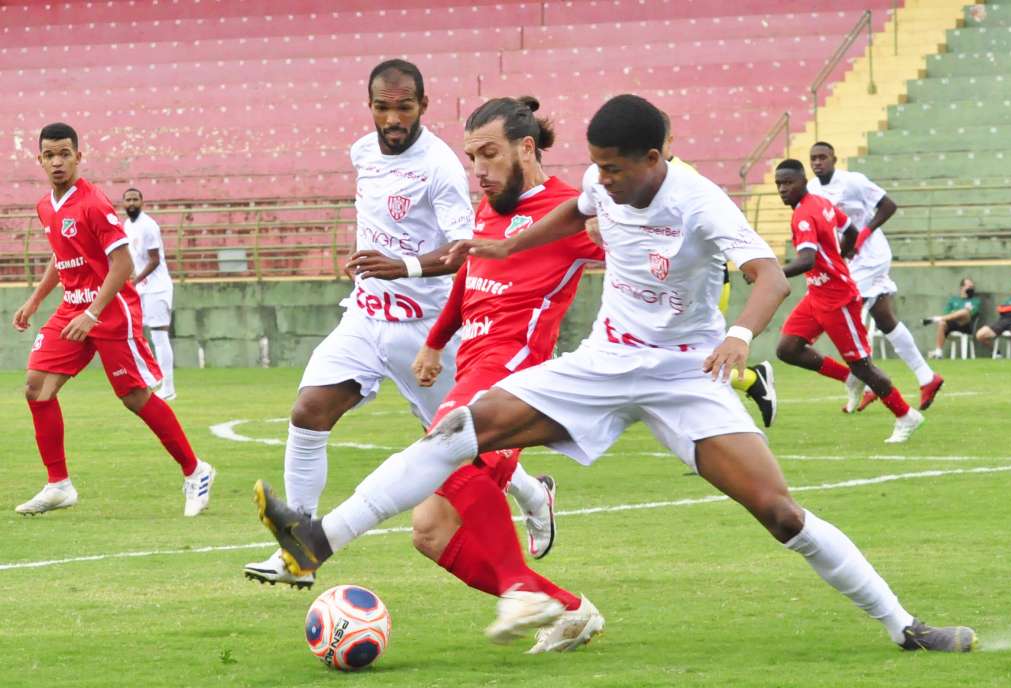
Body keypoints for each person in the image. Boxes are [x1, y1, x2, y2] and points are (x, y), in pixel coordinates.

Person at [253, 96, 974, 654]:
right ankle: (319, 539)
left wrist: (738, 335)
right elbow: (576, 209)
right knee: (457, 430)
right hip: (602, 363)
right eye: (596, 165)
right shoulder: (605, 184)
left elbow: (765, 275)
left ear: (656, 157)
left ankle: (905, 625)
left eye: (616, 167)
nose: (602, 179)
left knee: (780, 512)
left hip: (684, 376)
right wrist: (506, 246)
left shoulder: (697, 200)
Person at [243, 60, 553, 589]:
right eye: (382, 107)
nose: (392, 118)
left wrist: (401, 266)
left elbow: (464, 250)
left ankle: (532, 493)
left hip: (428, 329)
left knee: (464, 448)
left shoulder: (441, 166)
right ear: (369, 106)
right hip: (366, 315)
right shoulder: (362, 153)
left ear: (423, 107)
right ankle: (295, 544)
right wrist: (371, 267)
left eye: (403, 107)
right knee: (308, 411)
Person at [405, 95, 606, 648]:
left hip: (513, 378)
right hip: (470, 368)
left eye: (488, 155)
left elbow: (637, 255)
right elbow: (469, 276)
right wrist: (435, 341)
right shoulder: (490, 207)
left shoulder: (572, 210)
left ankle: (521, 577)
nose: (478, 171)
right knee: (429, 532)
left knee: (441, 453)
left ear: (525, 147)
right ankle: (572, 609)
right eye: (472, 158)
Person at [12, 122, 214, 516]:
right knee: (37, 388)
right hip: (74, 306)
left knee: (133, 396)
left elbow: (122, 265)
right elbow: (61, 255)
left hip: (110, 309)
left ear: (78, 157)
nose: (57, 162)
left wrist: (92, 314)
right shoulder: (45, 207)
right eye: (50, 155)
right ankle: (59, 486)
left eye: (65, 154)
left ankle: (196, 471)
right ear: (39, 159)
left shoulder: (94, 203)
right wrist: (36, 300)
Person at [586, 109, 777, 427]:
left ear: (664, 144)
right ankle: (743, 393)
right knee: (677, 362)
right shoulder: (627, 181)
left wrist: (740, 335)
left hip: (698, 284)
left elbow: (760, 266)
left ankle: (718, 430)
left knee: (690, 358)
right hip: (658, 283)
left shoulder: (687, 183)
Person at [774, 159, 925, 444]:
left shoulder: (805, 215)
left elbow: (806, 260)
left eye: (788, 183)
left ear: (803, 181)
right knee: (787, 348)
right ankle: (848, 378)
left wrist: (772, 272)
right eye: (778, 185)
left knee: (863, 365)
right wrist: (841, 255)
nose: (782, 189)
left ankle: (906, 415)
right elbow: (851, 230)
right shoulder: (821, 203)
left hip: (838, 299)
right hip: (816, 295)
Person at [808, 142, 943, 412]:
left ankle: (869, 383)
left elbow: (889, 206)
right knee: (883, 319)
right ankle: (926, 376)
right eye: (813, 158)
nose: (818, 162)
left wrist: (864, 235)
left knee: (847, 314)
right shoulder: (812, 189)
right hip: (848, 260)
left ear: (835, 158)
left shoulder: (853, 182)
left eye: (823, 157)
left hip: (871, 256)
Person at [123, 188, 176, 400]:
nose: (132, 203)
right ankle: (149, 379)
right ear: (124, 203)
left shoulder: (149, 226)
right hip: (140, 288)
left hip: (156, 288)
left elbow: (154, 260)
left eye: (135, 199)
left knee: (159, 336)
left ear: (142, 202)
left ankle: (169, 386)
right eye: (128, 200)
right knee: (135, 334)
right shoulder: (127, 226)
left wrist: (133, 281)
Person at [922, 277, 980, 358]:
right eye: (969, 287)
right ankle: (938, 352)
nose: (971, 289)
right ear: (962, 288)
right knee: (942, 323)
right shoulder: (953, 300)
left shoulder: (975, 300)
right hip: (952, 324)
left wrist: (956, 312)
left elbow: (972, 313)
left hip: (966, 325)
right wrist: (954, 314)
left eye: (972, 287)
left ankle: (936, 318)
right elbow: (947, 313)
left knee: (965, 311)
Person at [976, 278, 1011, 352]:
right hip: (1003, 322)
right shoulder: (1009, 300)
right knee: (980, 335)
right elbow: (1000, 309)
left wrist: (1010, 309)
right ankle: (996, 352)